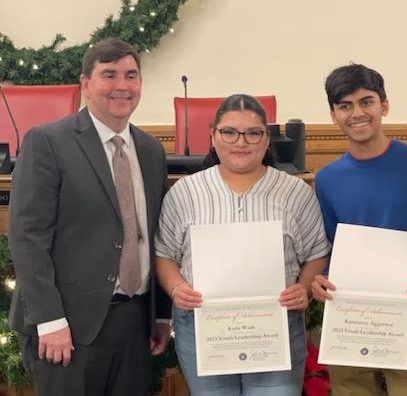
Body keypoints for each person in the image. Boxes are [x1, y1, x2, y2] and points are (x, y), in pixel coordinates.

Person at [8, 37, 172, 396]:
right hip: (67, 325)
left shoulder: (150, 150)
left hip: (134, 319)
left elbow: (157, 235)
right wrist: (50, 320)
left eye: (131, 75)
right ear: (86, 84)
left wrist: (161, 313)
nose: (121, 86)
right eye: (108, 75)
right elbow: (27, 239)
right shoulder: (47, 142)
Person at [154, 94, 331, 396]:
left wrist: (303, 287)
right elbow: (164, 254)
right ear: (213, 136)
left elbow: (316, 252)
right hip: (203, 328)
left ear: (266, 140)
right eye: (229, 132)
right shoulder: (184, 193)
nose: (241, 142)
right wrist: (176, 288)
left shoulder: (294, 193)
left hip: (275, 328)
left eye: (253, 133)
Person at [311, 64, 407, 396]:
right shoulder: (327, 179)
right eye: (345, 106)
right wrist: (320, 277)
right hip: (349, 314)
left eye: (366, 101)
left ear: (384, 105)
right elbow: (327, 245)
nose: (357, 113)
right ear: (333, 115)